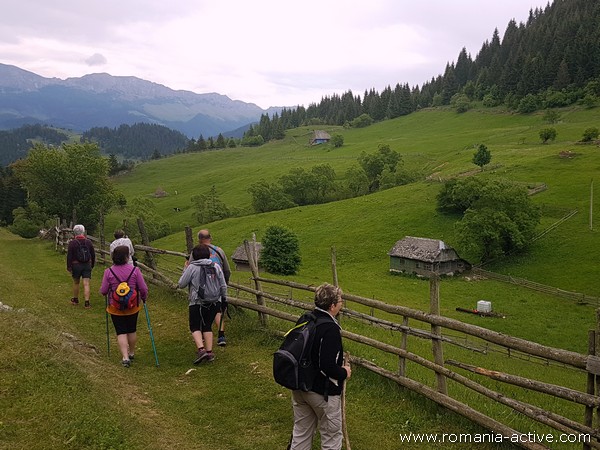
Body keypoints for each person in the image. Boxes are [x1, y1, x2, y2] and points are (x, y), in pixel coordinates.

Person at [289, 283, 352, 450]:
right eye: (340, 300)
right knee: (331, 436)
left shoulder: (307, 318)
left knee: (301, 432)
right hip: (321, 392)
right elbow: (328, 366)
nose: (342, 303)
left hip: (300, 386)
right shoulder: (330, 329)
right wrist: (344, 372)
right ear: (332, 306)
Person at [100, 245, 148, 367]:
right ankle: (131, 352)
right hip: (132, 306)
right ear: (127, 257)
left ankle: (125, 357)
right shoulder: (135, 270)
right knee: (131, 329)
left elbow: (104, 290)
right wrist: (143, 297)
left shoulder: (108, 272)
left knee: (120, 331)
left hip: (115, 307)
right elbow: (143, 288)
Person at [178, 243, 227, 364]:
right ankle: (209, 352)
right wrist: (223, 299)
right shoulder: (215, 266)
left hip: (197, 302)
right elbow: (223, 284)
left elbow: (181, 284)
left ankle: (201, 349)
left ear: (193, 255)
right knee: (207, 326)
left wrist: (185, 268)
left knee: (195, 326)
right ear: (208, 254)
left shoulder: (192, 267)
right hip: (214, 301)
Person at [197, 229, 231, 346]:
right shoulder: (219, 251)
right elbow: (227, 270)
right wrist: (224, 284)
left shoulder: (196, 251)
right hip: (217, 287)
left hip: (201, 288)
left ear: (199, 239)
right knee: (217, 310)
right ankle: (221, 336)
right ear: (210, 237)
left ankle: (202, 335)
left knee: (201, 311)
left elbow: (191, 267)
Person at [66, 224, 96, 309]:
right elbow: (92, 254)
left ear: (74, 232)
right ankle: (87, 302)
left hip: (76, 265)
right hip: (87, 264)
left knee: (76, 282)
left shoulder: (72, 243)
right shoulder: (88, 242)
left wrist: (69, 267)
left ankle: (75, 299)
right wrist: (92, 264)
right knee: (86, 283)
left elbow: (69, 256)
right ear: (83, 232)